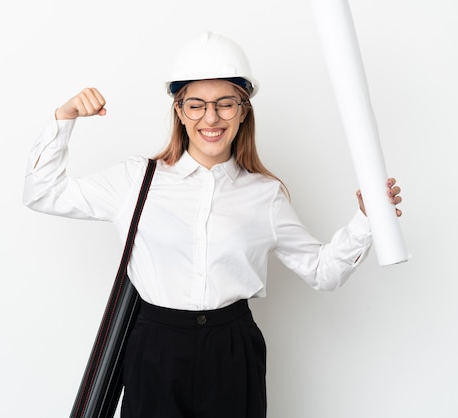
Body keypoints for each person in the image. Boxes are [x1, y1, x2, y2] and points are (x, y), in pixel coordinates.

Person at [23, 31, 402, 418]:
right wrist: (64, 118)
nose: (211, 118)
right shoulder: (136, 180)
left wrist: (367, 220)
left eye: (225, 104)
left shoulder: (265, 194)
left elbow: (323, 272)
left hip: (232, 349)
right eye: (196, 105)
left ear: (243, 110)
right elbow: (42, 192)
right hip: (154, 347)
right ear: (179, 110)